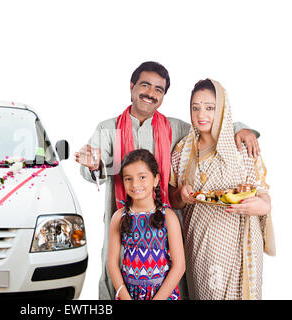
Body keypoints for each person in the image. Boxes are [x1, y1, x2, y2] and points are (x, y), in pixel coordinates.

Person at [74, 61, 260, 300]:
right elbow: (93, 166)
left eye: (158, 90)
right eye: (145, 85)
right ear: (131, 87)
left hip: (165, 225)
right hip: (124, 225)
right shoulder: (109, 129)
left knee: (174, 279)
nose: (151, 93)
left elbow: (209, 126)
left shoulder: (175, 128)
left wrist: (242, 129)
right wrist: (93, 164)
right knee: (116, 281)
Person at [168, 79, 275, 300]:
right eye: (195, 107)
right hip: (201, 245)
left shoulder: (241, 145)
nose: (201, 114)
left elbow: (264, 195)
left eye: (209, 107)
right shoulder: (182, 150)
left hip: (240, 242)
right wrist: (182, 195)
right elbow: (173, 200)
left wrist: (260, 205)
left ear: (222, 109)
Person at [108, 149, 185, 300]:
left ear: (155, 179)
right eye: (128, 179)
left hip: (163, 295)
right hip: (129, 295)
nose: (135, 184)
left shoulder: (168, 217)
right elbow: (112, 263)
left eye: (142, 177)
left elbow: (179, 266)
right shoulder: (119, 217)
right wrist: (124, 296)